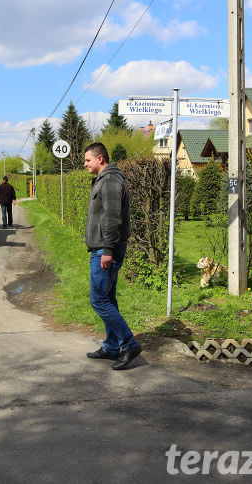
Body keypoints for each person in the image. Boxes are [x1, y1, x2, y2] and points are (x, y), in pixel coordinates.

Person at [83, 142, 141, 370]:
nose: (85, 164)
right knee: (109, 298)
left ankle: (128, 343)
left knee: (99, 300)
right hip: (103, 249)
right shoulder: (104, 180)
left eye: (88, 160)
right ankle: (111, 347)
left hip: (106, 250)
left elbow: (113, 219)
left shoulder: (109, 181)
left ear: (100, 159)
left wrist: (106, 250)